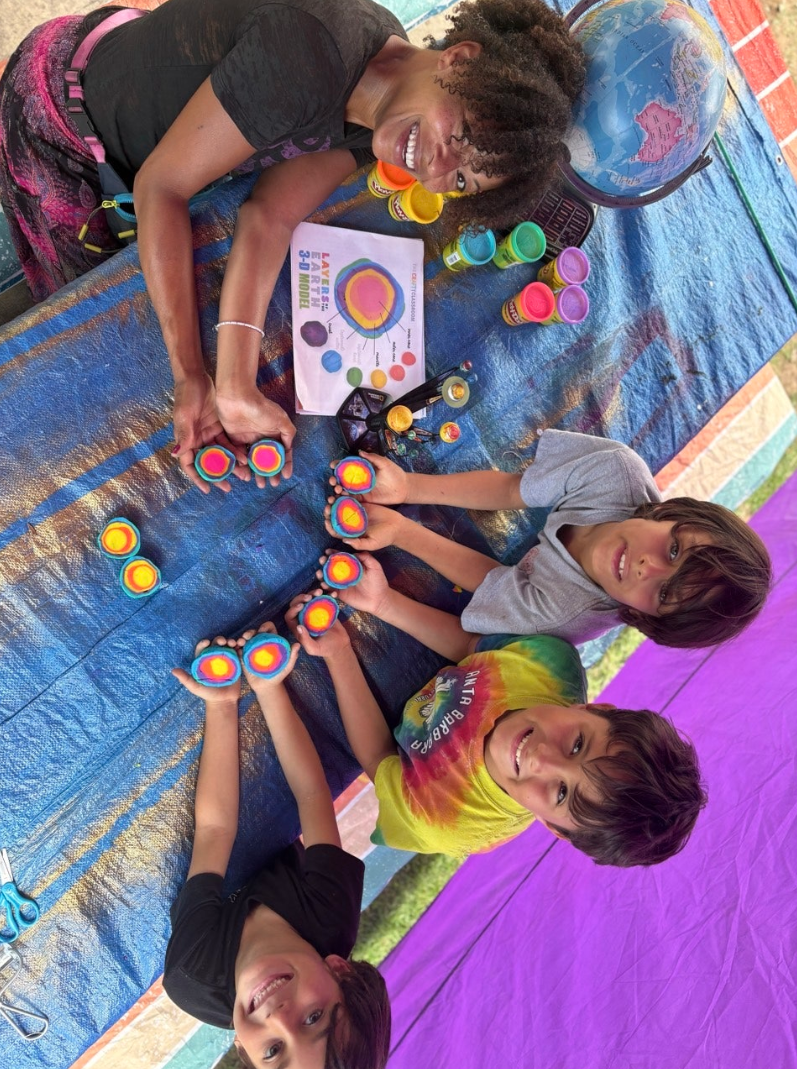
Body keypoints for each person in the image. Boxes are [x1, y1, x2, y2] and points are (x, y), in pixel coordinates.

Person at [0, 0, 586, 493]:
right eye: (458, 135)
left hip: (128, 94)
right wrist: (190, 377)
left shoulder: (380, 100)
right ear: (458, 60)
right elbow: (162, 185)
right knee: (81, 304)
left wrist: (234, 384)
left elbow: (270, 218)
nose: (436, 168)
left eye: (460, 182)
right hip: (58, 113)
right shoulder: (308, 55)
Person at [287, 559, 707, 866]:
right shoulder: (548, 665)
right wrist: (383, 603)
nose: (542, 758)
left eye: (561, 793)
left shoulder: (448, 819)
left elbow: (379, 760)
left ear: (553, 828)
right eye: (578, 744)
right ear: (597, 708)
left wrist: (341, 655)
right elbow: (472, 648)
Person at [167, 623, 391, 1069]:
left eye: (272, 1051)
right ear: (339, 970)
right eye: (314, 1017)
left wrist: (223, 704)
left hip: (210, 897)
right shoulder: (331, 912)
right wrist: (268, 686)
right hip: (279, 860)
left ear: (240, 1050)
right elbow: (311, 795)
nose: (280, 1019)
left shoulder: (192, 971)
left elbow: (214, 830)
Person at [325, 429, 772, 648]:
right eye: (674, 549)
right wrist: (409, 487)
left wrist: (403, 532)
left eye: (661, 593)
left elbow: (493, 581)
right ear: (674, 513)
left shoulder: (563, 616)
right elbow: (510, 489)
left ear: (643, 618)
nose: (646, 566)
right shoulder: (614, 470)